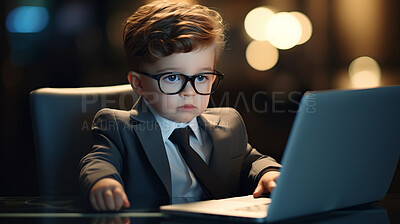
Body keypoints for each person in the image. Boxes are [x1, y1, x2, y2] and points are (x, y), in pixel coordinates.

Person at [80, 0, 281, 211]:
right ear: (138, 83)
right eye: (173, 77)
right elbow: (99, 161)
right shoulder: (120, 129)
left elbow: (252, 160)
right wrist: (104, 182)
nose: (189, 91)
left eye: (202, 77)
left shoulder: (229, 124)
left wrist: (268, 172)